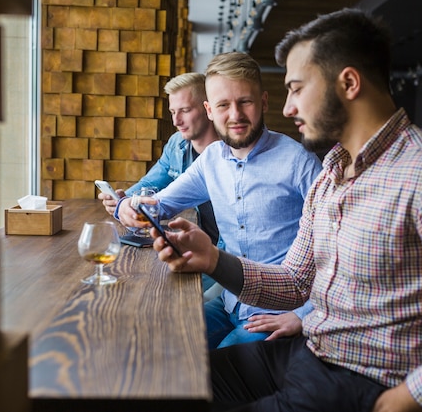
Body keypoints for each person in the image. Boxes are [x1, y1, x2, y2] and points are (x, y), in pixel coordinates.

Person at [151, 8, 422, 412]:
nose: (286, 108)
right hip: (315, 355)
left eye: (297, 88)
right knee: (170, 383)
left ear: (349, 83)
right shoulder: (331, 174)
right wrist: (213, 259)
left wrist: (405, 400)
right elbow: (294, 282)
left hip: (371, 383)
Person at [115, 52, 323, 349]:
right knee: (159, 340)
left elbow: (336, 253)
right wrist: (126, 205)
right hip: (231, 304)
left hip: (277, 314)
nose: (235, 115)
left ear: (263, 102)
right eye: (224, 105)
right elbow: (158, 204)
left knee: (211, 370)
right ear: (210, 110)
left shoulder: (299, 162)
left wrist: (304, 316)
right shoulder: (211, 159)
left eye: (245, 102)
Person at [98, 72, 220, 245]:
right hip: (199, 247)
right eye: (172, 112)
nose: (176, 121)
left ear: (208, 109)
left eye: (185, 110)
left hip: (229, 254)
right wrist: (123, 202)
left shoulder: (230, 153)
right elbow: (148, 186)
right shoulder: (177, 145)